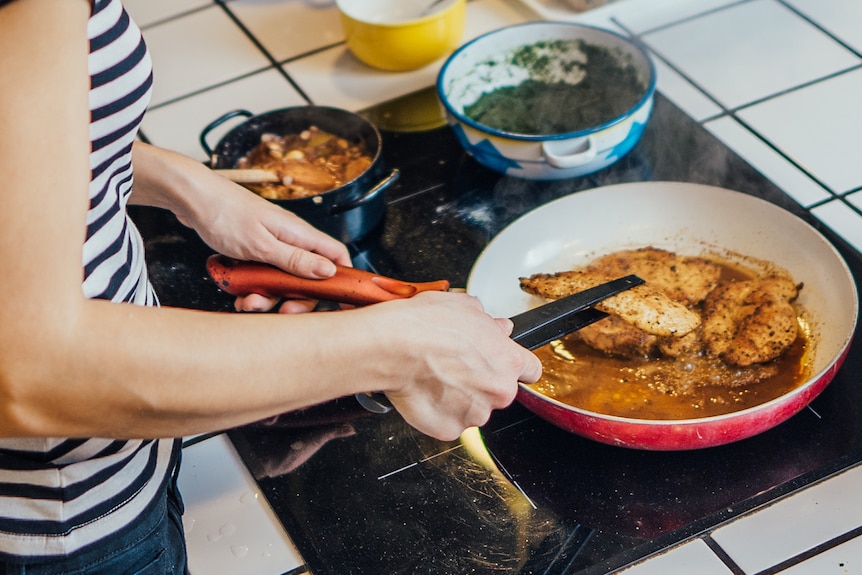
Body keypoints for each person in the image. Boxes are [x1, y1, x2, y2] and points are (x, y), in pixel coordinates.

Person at [0, 0, 542, 572]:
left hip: (115, 459)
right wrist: (396, 349)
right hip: (54, 524)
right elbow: (33, 373)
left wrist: (184, 184)